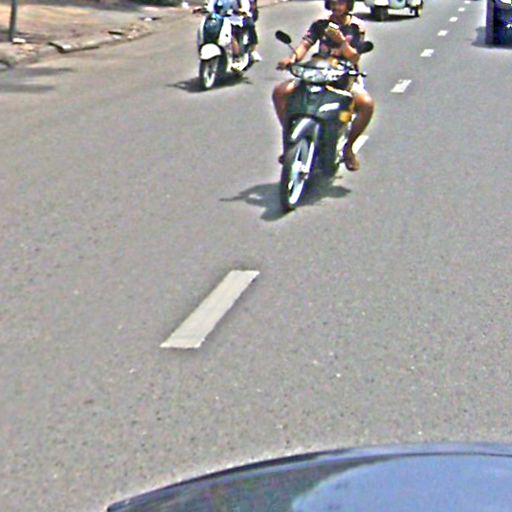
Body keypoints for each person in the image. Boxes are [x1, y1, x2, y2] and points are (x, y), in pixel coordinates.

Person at [272, 0, 374, 171]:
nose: (336, 7)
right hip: (317, 72)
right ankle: (291, 141)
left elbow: (354, 57)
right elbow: (305, 44)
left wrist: (341, 41)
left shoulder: (356, 27)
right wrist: (292, 59)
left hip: (343, 76)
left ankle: (348, 149)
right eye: (333, 3)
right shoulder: (321, 24)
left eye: (340, 3)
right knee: (280, 92)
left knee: (366, 104)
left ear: (348, 5)